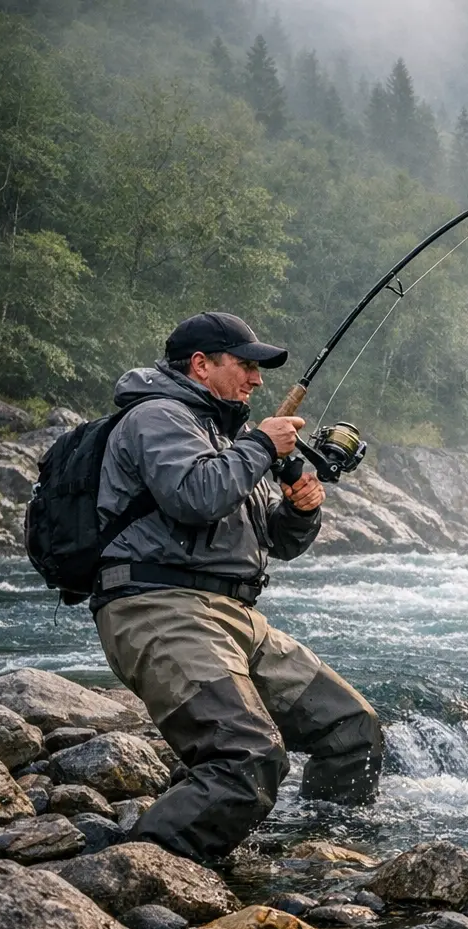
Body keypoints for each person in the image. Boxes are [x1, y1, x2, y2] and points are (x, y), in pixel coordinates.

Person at [91, 311, 383, 863]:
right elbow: (194, 496)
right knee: (247, 755)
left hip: (234, 615)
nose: (256, 379)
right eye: (246, 365)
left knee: (352, 729)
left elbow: (274, 540)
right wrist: (260, 449)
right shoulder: (158, 417)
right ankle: (138, 872)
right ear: (202, 365)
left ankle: (319, 860)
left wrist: (300, 512)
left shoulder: (226, 434)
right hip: (159, 607)